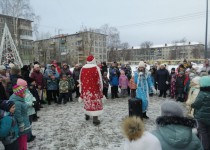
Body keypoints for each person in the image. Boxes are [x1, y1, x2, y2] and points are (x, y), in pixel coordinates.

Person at [79, 55, 106, 125]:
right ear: (93, 60)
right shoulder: (96, 68)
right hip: (95, 90)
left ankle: (87, 115)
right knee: (95, 104)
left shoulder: (82, 68)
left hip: (86, 90)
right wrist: (101, 90)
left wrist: (81, 90)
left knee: (87, 103)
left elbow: (80, 79)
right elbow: (99, 80)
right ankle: (95, 119)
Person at [9, 85, 30, 150]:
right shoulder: (17, 102)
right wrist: (21, 124)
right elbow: (18, 115)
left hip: (24, 121)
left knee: (23, 139)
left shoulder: (19, 99)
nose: (25, 93)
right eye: (23, 92)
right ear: (19, 93)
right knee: (22, 141)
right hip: (22, 125)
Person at [191, 76, 210, 150]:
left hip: (201, 117)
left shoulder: (202, 93)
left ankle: (204, 147)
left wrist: (192, 105)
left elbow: (196, 104)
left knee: (202, 133)